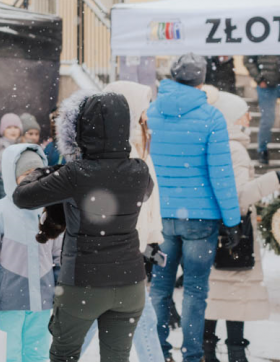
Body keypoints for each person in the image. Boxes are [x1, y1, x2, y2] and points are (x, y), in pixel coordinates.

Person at [14, 90, 154, 362]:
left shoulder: (76, 174)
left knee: (63, 356)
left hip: (83, 285)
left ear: (81, 129)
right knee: (118, 358)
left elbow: (22, 197)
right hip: (130, 285)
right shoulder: (139, 170)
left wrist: (46, 172)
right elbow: (145, 193)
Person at [147, 53, 242, 362]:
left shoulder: (152, 113)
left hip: (161, 215)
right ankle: (193, 355)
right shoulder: (211, 117)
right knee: (195, 291)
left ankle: (159, 352)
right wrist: (232, 220)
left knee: (160, 289)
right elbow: (221, 173)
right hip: (201, 217)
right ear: (202, 80)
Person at [79, 81, 165, 362]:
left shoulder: (139, 145)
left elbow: (151, 204)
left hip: (129, 250)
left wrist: (152, 239)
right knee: (130, 319)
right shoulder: (118, 152)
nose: (147, 116)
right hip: (117, 251)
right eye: (143, 109)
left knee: (113, 318)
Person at [203, 90, 280, 362]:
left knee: (215, 295)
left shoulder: (219, 143)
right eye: (243, 113)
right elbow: (237, 197)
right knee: (235, 295)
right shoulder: (234, 149)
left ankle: (208, 349)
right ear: (232, 119)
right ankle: (235, 351)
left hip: (217, 233)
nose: (249, 117)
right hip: (235, 234)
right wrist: (274, 179)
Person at [0, 143, 60, 362]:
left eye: (37, 174)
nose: (32, 180)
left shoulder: (50, 210)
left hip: (43, 302)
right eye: (25, 174)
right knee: (9, 354)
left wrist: (62, 294)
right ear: (11, 175)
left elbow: (60, 258)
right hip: (9, 302)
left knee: (38, 353)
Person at [246, 55, 280, 165]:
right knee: (268, 119)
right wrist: (259, 78)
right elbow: (248, 59)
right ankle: (262, 150)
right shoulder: (263, 40)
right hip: (266, 85)